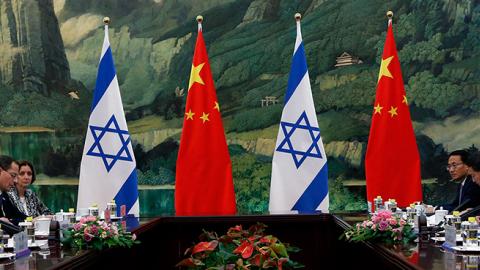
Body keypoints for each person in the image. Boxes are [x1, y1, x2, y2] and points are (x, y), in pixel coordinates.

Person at [0, 156, 27, 227]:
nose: (16, 181)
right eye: (13, 175)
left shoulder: (4, 195)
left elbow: (16, 215)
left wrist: (33, 219)